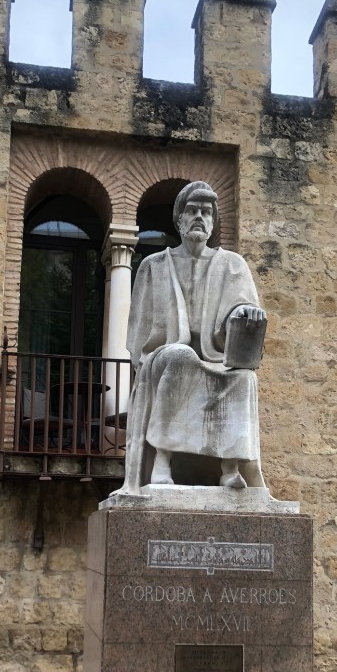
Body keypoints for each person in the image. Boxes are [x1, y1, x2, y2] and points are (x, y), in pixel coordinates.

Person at [117, 181, 268, 494]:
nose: (199, 217)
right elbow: (139, 334)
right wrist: (150, 357)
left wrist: (246, 314)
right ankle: (162, 462)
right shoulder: (154, 266)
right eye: (192, 210)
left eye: (206, 212)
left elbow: (243, 310)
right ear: (179, 220)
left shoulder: (232, 265)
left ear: (213, 222)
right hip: (166, 358)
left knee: (244, 377)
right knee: (179, 355)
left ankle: (230, 469)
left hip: (217, 358)